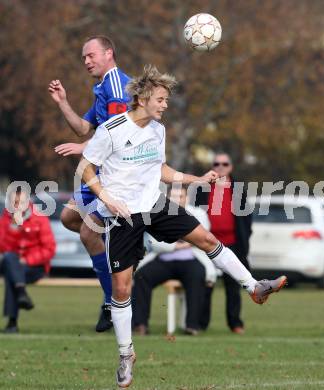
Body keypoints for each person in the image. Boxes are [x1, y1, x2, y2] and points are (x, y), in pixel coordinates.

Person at [78, 64, 287, 388]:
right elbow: (85, 167)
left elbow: (160, 169)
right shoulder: (112, 129)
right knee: (121, 289)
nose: (164, 105)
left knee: (205, 238)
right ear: (144, 98)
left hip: (155, 204)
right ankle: (125, 354)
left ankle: (254, 287)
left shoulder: (158, 130)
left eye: (166, 100)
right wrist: (106, 197)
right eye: (160, 99)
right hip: (122, 214)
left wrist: (197, 179)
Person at [48, 35, 130, 332]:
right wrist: (63, 103)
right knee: (69, 217)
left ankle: (111, 300)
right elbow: (84, 128)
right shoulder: (102, 88)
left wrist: (85, 149)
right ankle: (122, 252)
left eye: (91, 55)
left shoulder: (118, 85)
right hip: (100, 169)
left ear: (109, 53)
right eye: (83, 57)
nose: (86, 61)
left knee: (87, 231)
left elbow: (119, 135)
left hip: (116, 174)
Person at [132, 187, 217, 336]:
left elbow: (204, 237)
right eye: (174, 197)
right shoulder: (158, 212)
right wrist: (178, 246)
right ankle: (140, 324)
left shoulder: (199, 213)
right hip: (164, 260)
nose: (178, 200)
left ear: (187, 199)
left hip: (191, 259)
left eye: (181, 196)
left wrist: (177, 244)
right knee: (141, 276)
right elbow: (153, 241)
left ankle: (192, 326)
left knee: (198, 276)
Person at [196, 153, 252, 334]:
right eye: (216, 163)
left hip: (232, 243)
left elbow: (246, 218)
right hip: (208, 244)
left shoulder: (239, 189)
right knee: (206, 283)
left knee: (234, 286)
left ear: (231, 167)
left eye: (225, 163)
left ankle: (235, 323)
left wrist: (245, 240)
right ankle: (201, 323)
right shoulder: (203, 188)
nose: (220, 166)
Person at [0, 188, 56, 333]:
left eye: (22, 202)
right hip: (13, 263)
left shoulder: (40, 218)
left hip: (35, 267)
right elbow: (4, 248)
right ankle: (21, 293)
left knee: (11, 273)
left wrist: (28, 260)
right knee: (10, 260)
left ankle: (12, 323)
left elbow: (49, 249)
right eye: (15, 202)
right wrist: (12, 228)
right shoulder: (6, 218)